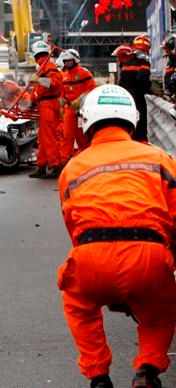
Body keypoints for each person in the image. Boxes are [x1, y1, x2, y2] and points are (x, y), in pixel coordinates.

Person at [57, 84, 176, 388]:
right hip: (149, 254)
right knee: (159, 311)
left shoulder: (72, 168)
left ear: (86, 123)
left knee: (79, 305)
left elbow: (75, 227)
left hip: (91, 256)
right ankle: (148, 370)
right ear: (132, 119)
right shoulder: (160, 158)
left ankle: (98, 376)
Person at [28, 41, 63, 179]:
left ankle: (55, 165)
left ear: (36, 55)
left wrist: (39, 81)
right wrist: (32, 101)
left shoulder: (48, 65)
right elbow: (39, 89)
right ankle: (41, 165)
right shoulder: (44, 66)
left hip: (49, 104)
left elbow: (55, 84)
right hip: (45, 104)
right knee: (43, 138)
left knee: (49, 137)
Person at [59, 49, 96, 163]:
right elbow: (63, 93)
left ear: (75, 60)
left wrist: (80, 100)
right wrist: (62, 102)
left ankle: (86, 158)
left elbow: (91, 89)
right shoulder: (64, 76)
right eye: (65, 61)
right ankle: (64, 160)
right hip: (70, 109)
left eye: (69, 61)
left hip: (82, 109)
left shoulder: (84, 73)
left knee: (82, 136)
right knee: (67, 135)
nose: (67, 63)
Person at [118, 35, 151, 143]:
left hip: (125, 98)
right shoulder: (144, 63)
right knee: (140, 127)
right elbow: (143, 82)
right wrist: (149, 89)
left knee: (128, 125)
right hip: (137, 99)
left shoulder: (126, 63)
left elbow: (121, 82)